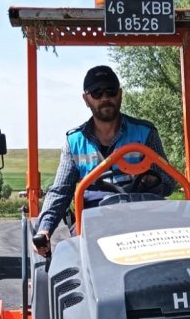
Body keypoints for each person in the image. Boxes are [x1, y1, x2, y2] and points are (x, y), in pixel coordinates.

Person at [33, 65, 174, 255]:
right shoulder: (74, 141)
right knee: (71, 256)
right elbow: (60, 192)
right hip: (93, 218)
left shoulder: (145, 132)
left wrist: (152, 182)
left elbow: (169, 182)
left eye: (111, 90)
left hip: (142, 212)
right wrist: (45, 229)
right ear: (86, 99)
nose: (105, 97)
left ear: (120, 94)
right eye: (97, 93)